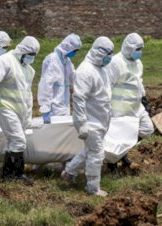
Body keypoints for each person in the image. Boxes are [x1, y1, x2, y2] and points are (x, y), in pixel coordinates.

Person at [61, 36, 114, 197]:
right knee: (97, 154)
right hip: (90, 121)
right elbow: (79, 99)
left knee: (89, 150)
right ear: (98, 52)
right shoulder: (85, 71)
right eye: (108, 54)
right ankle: (92, 187)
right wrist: (82, 123)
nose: (110, 58)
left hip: (101, 119)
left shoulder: (101, 69)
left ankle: (69, 173)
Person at [0, 36, 40, 185]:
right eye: (30, 54)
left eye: (34, 56)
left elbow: (27, 95)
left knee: (14, 141)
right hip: (4, 107)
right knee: (18, 140)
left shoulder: (29, 70)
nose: (31, 58)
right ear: (22, 51)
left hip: (19, 110)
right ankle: (16, 175)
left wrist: (28, 116)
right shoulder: (5, 61)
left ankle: (9, 175)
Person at [108, 32, 154, 172]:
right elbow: (108, 85)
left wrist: (144, 99)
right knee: (117, 137)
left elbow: (139, 82)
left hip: (136, 105)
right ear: (128, 48)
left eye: (141, 49)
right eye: (137, 49)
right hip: (119, 108)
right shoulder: (115, 62)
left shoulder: (138, 63)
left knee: (147, 129)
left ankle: (123, 153)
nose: (139, 52)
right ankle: (112, 162)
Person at [37, 33, 82, 123]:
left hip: (64, 107)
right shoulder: (52, 59)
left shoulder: (67, 61)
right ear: (68, 47)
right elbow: (45, 86)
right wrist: (45, 109)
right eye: (74, 50)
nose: (75, 53)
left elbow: (74, 77)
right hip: (53, 109)